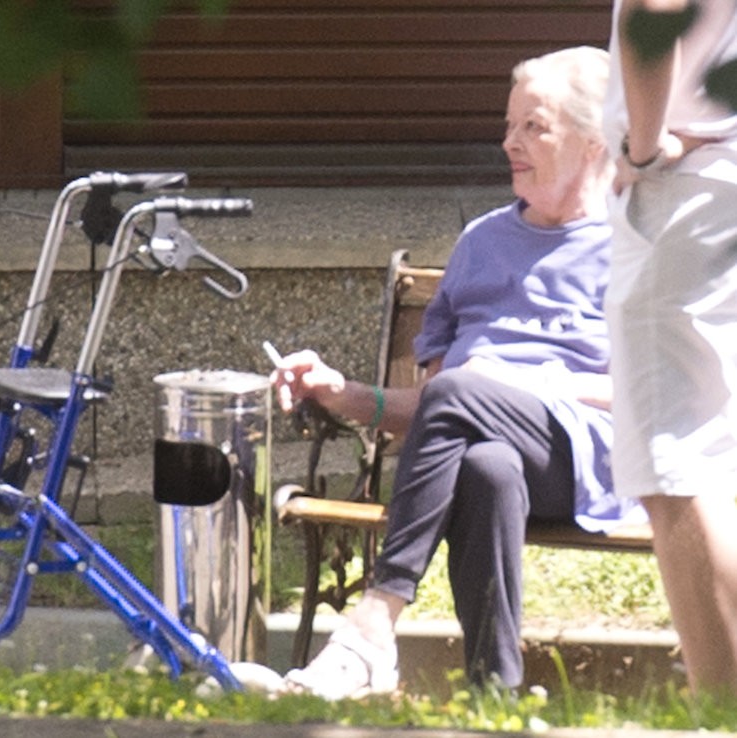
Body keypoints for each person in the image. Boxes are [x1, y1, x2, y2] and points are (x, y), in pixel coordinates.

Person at [270, 46, 645, 699]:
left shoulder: (633, 247)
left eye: (534, 126)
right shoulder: (482, 243)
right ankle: (493, 694)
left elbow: (648, 394)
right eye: (509, 125)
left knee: (466, 390)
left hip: (583, 460)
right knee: (485, 468)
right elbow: (436, 409)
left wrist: (523, 383)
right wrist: (340, 391)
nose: (509, 143)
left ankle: (376, 621)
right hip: (494, 443)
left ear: (593, 144)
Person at [603, 0, 737, 696]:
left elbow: (655, 12)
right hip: (718, 189)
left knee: (678, 468)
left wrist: (644, 148)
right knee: (708, 460)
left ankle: (723, 710)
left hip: (683, 188)